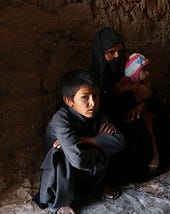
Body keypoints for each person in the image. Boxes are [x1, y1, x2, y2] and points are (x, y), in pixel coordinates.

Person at [34, 69, 126, 214]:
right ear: (69, 101)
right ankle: (61, 202)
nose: (92, 103)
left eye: (95, 96)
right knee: (62, 152)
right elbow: (78, 160)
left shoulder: (98, 114)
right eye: (85, 97)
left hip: (84, 162)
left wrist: (86, 140)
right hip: (64, 173)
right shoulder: (61, 120)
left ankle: (96, 185)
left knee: (105, 145)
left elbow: (120, 141)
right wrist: (99, 143)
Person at [92, 27, 157, 182]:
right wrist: (134, 100)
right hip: (110, 121)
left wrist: (140, 104)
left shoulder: (127, 69)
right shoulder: (94, 78)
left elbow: (149, 92)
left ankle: (149, 161)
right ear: (101, 54)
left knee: (148, 115)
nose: (117, 57)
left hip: (132, 114)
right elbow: (103, 106)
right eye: (111, 53)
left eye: (120, 52)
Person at [114, 53, 161, 173]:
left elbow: (151, 98)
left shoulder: (146, 85)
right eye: (143, 70)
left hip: (145, 113)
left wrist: (143, 102)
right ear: (134, 73)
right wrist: (127, 89)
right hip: (130, 117)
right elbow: (117, 94)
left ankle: (154, 152)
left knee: (150, 128)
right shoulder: (125, 82)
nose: (147, 73)